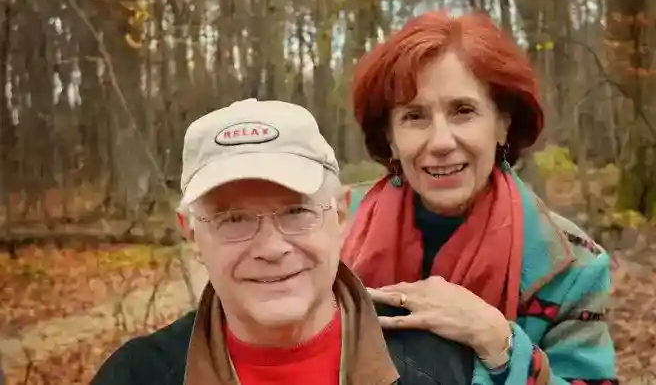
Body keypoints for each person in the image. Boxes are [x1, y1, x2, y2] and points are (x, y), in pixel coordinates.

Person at [91, 99, 479, 385]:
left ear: (340, 214)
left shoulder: (442, 364)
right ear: (192, 234)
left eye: (295, 212)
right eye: (234, 219)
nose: (272, 248)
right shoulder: (135, 376)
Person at [342, 11, 619, 384]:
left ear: (502, 125)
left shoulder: (572, 267)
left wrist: (496, 340)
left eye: (463, 111)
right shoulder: (329, 228)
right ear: (390, 137)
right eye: (414, 116)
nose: (441, 142)